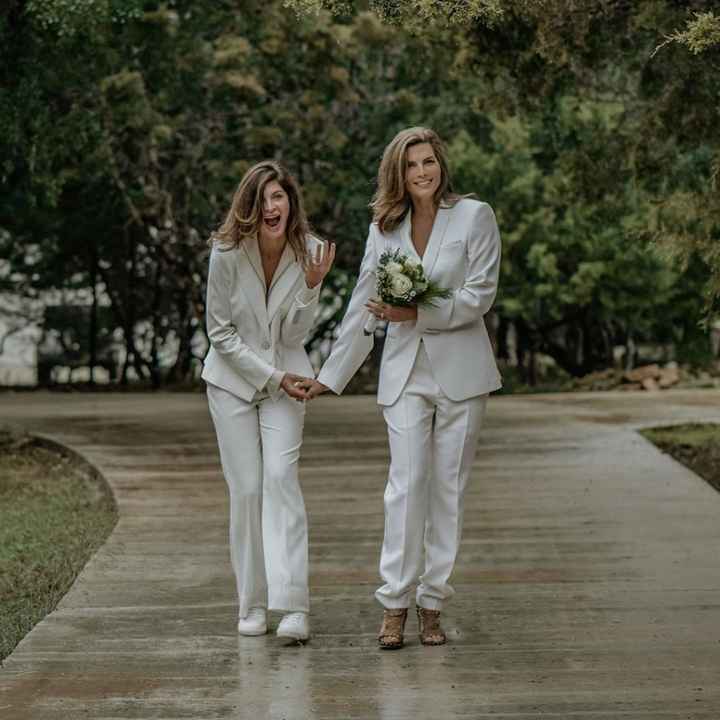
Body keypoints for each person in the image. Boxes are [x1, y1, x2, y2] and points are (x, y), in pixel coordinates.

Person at [304, 127, 501, 649]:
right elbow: (362, 303)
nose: (422, 172)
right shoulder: (383, 228)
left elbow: (480, 294)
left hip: (462, 373)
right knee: (405, 486)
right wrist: (330, 375)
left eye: (429, 161)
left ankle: (432, 602)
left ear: (441, 165)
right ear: (398, 171)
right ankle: (394, 602)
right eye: (412, 164)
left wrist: (417, 312)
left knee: (447, 490)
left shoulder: (474, 216)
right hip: (405, 372)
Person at [202, 160, 335, 642]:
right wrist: (272, 376)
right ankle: (252, 604)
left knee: (281, 480)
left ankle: (294, 606)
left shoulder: (312, 251)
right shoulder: (225, 253)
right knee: (248, 490)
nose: (270, 208)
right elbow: (220, 333)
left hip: (288, 380)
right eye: (261, 201)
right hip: (233, 384)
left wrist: (314, 286)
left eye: (277, 197)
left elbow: (298, 332)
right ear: (248, 208)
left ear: (290, 202)